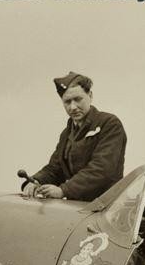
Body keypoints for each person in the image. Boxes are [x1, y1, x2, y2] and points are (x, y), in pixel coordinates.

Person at [23, 71, 126, 201]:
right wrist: (35, 181)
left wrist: (64, 190)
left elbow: (102, 169)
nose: (73, 107)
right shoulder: (67, 133)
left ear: (90, 95)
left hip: (108, 205)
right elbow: (55, 168)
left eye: (78, 99)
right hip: (77, 206)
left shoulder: (109, 124)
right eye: (67, 102)